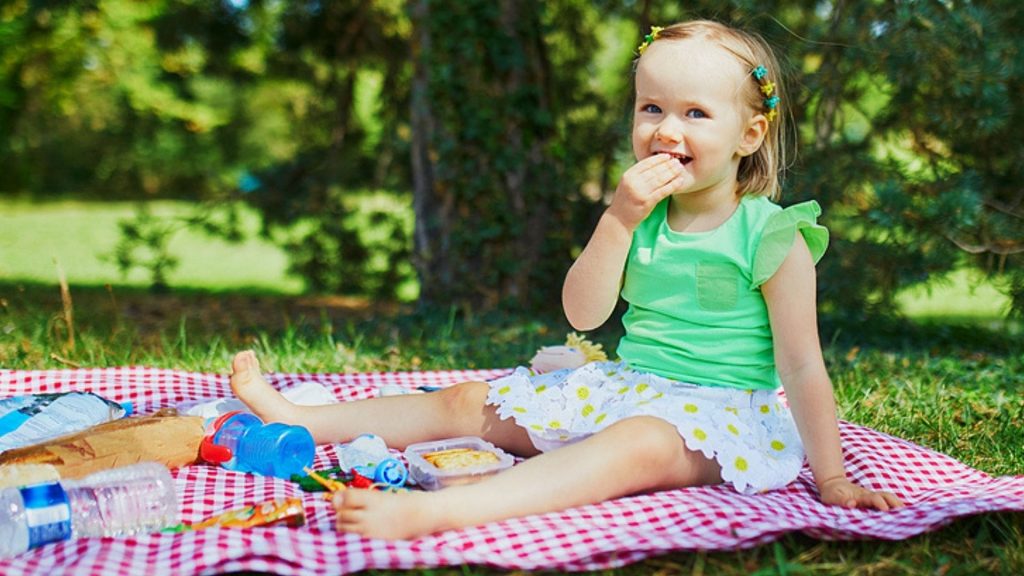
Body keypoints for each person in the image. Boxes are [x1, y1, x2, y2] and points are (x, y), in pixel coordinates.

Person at [229, 19, 902, 540]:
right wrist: (617, 218)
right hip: (630, 388)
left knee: (636, 445)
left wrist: (834, 476)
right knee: (470, 400)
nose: (667, 129)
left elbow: (802, 365)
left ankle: (450, 512)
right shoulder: (640, 215)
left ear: (749, 134)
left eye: (696, 114)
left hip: (717, 419)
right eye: (651, 109)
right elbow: (583, 314)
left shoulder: (771, 236)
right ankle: (305, 419)